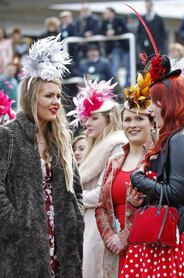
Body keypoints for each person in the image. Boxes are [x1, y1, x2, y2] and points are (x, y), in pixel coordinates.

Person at [119, 55, 184, 277]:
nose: (150, 110)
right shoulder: (177, 137)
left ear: (167, 104)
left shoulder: (182, 139)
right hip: (177, 233)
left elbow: (174, 193)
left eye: (154, 102)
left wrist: (138, 178)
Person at [0, 35, 84, 277]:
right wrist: (18, 227)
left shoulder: (61, 140)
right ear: (32, 98)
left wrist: (75, 219)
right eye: (49, 96)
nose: (56, 102)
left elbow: (75, 189)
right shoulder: (9, 136)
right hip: (24, 247)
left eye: (58, 96)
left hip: (63, 242)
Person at [68, 78, 127, 278]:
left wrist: (72, 199)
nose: (87, 122)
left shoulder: (116, 143)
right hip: (87, 220)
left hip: (102, 224)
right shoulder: (95, 146)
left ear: (109, 119)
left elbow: (105, 191)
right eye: (86, 118)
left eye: (94, 117)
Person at [95, 87, 153, 277]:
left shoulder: (157, 160)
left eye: (139, 118)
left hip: (147, 250)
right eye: (127, 119)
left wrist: (125, 237)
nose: (132, 124)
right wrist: (110, 237)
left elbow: (155, 206)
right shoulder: (114, 162)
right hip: (115, 251)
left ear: (152, 124)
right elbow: (101, 206)